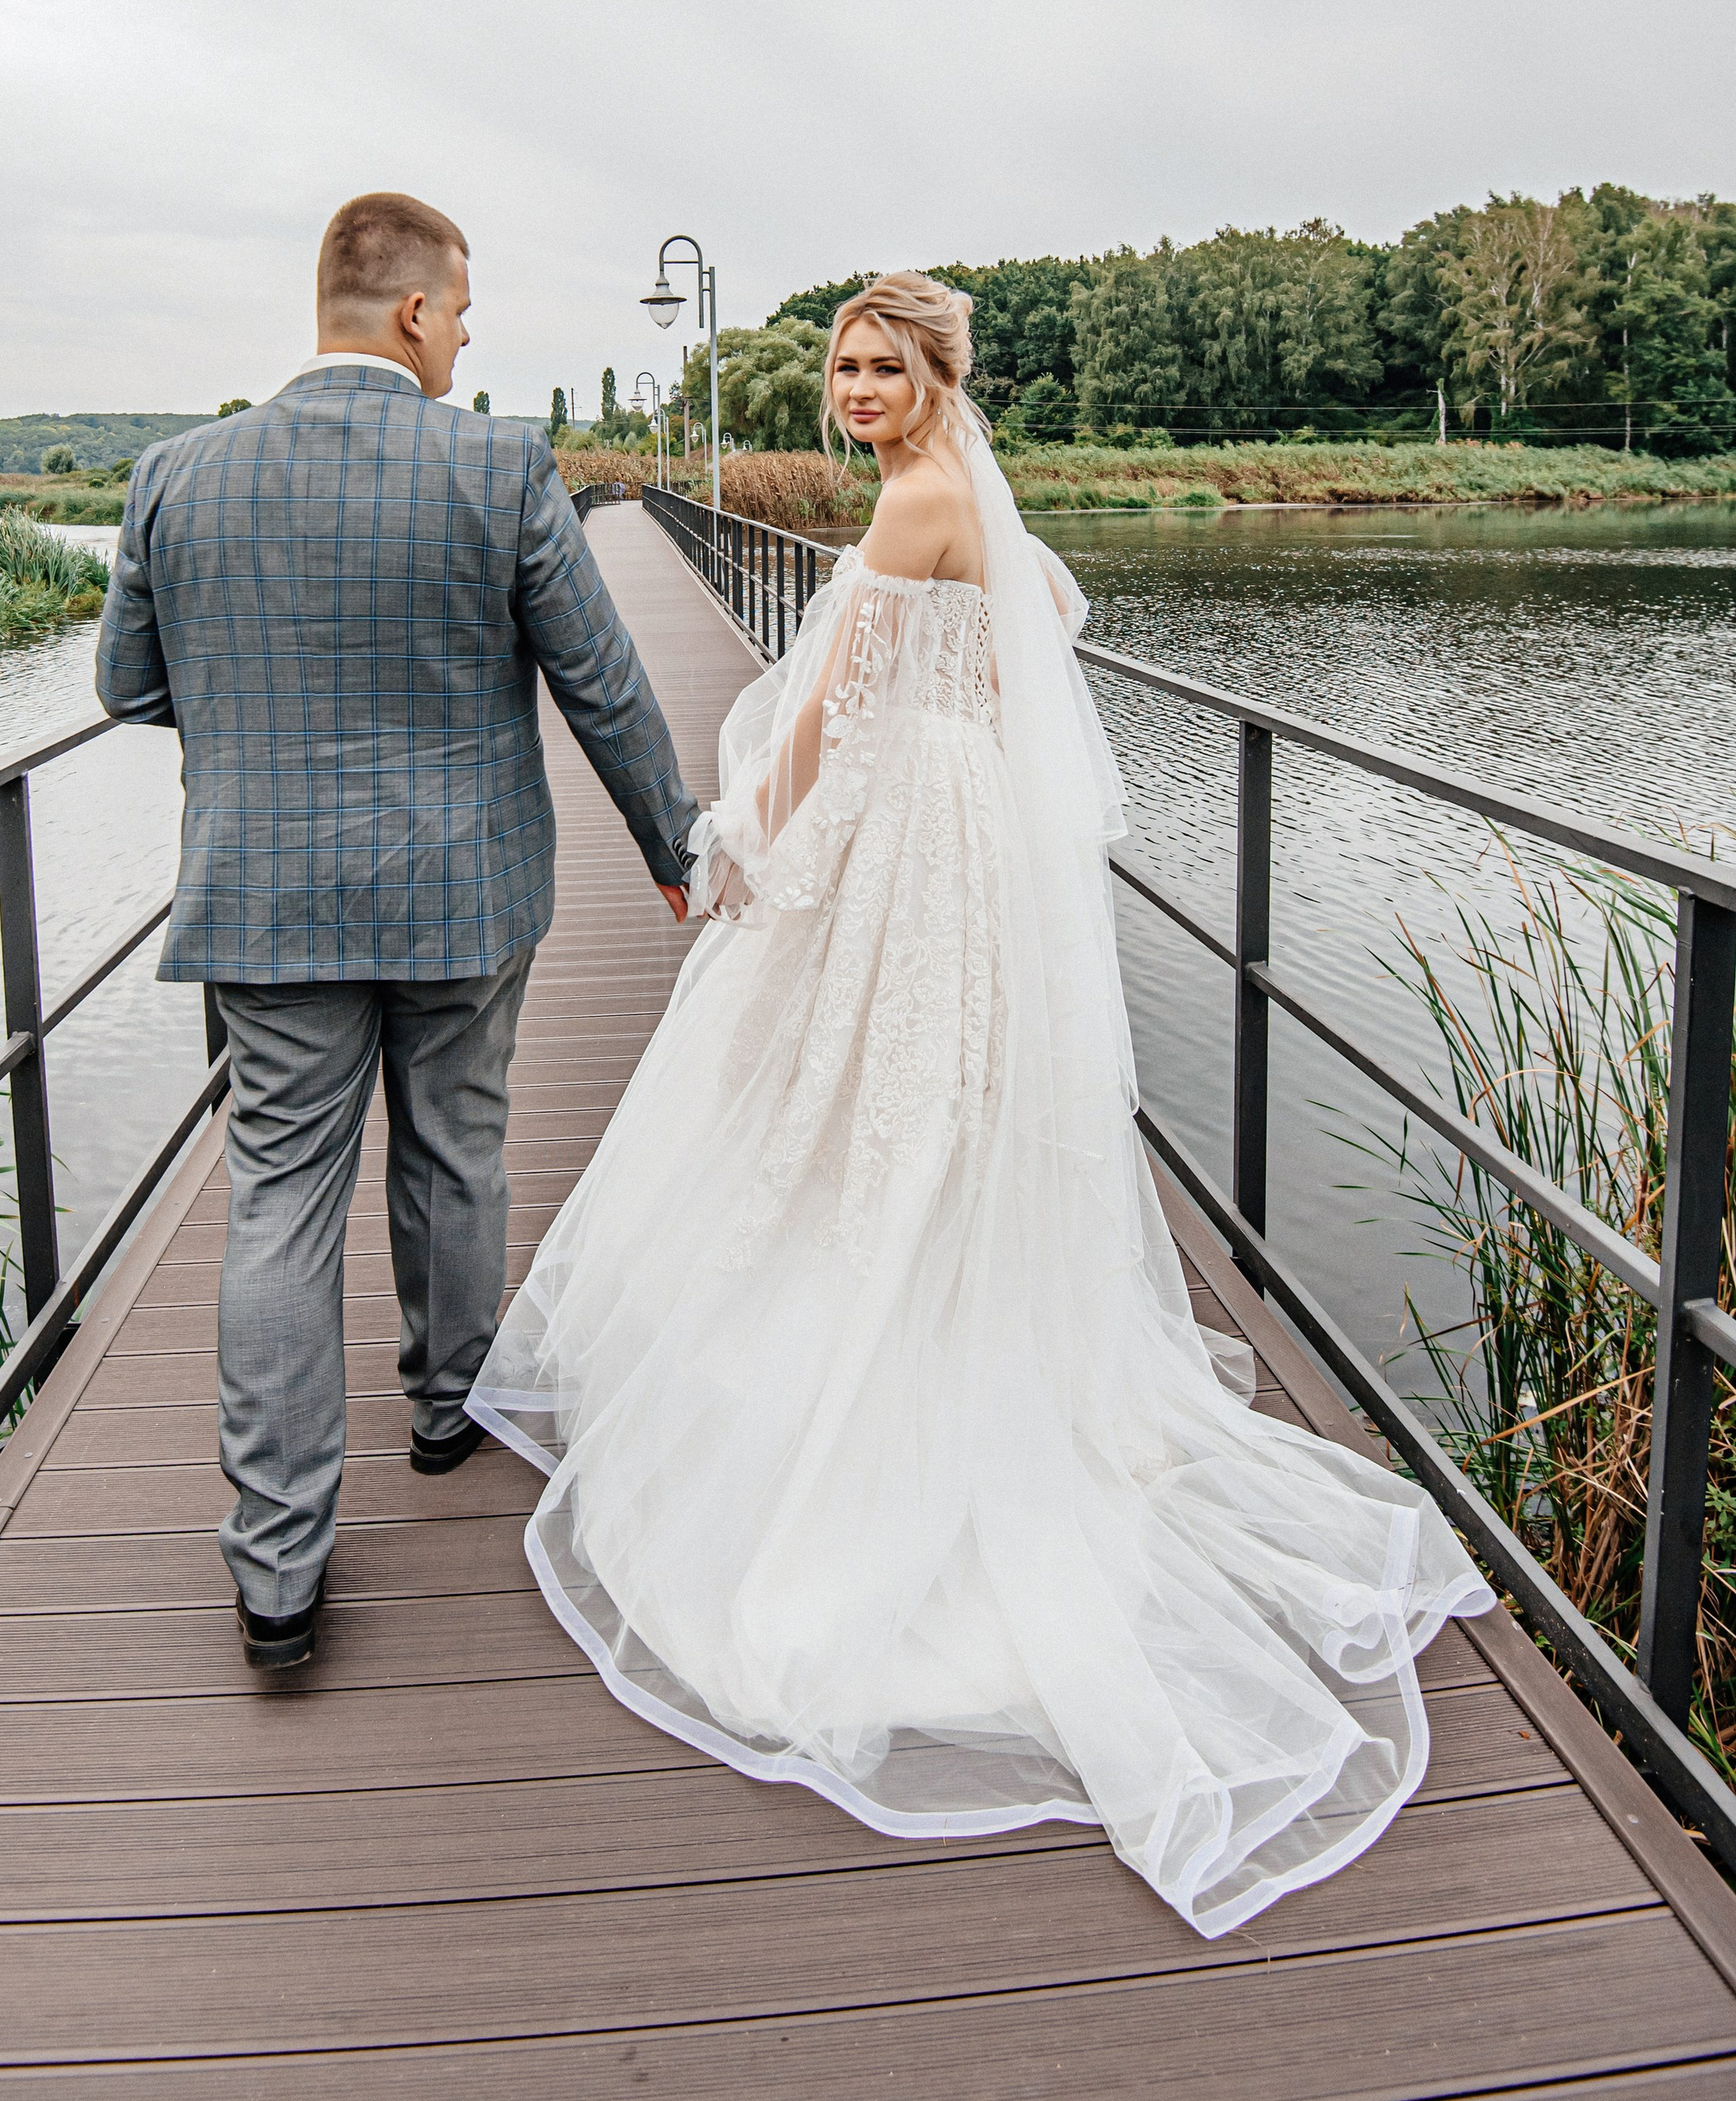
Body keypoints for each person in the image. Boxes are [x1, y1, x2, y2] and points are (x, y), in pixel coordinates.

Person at [470, 270, 1491, 1939]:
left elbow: (819, 722)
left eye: (882, 367)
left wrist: (734, 848)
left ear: (938, 375)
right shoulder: (954, 502)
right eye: (842, 366)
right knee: (910, 1102)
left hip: (899, 831)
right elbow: (1024, 652)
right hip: (954, 835)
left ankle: (879, 1390)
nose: (855, 389)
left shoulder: (920, 502)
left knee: (846, 1091)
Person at [97, 192, 697, 1668]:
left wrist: (258, 730)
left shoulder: (176, 475)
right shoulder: (495, 462)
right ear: (415, 313)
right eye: (465, 314)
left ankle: (279, 1571)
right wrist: (676, 847)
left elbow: (126, 686)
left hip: (264, 893)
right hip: (461, 891)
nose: (469, 340)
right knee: (457, 1145)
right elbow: (600, 681)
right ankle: (446, 1410)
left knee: (277, 1205)